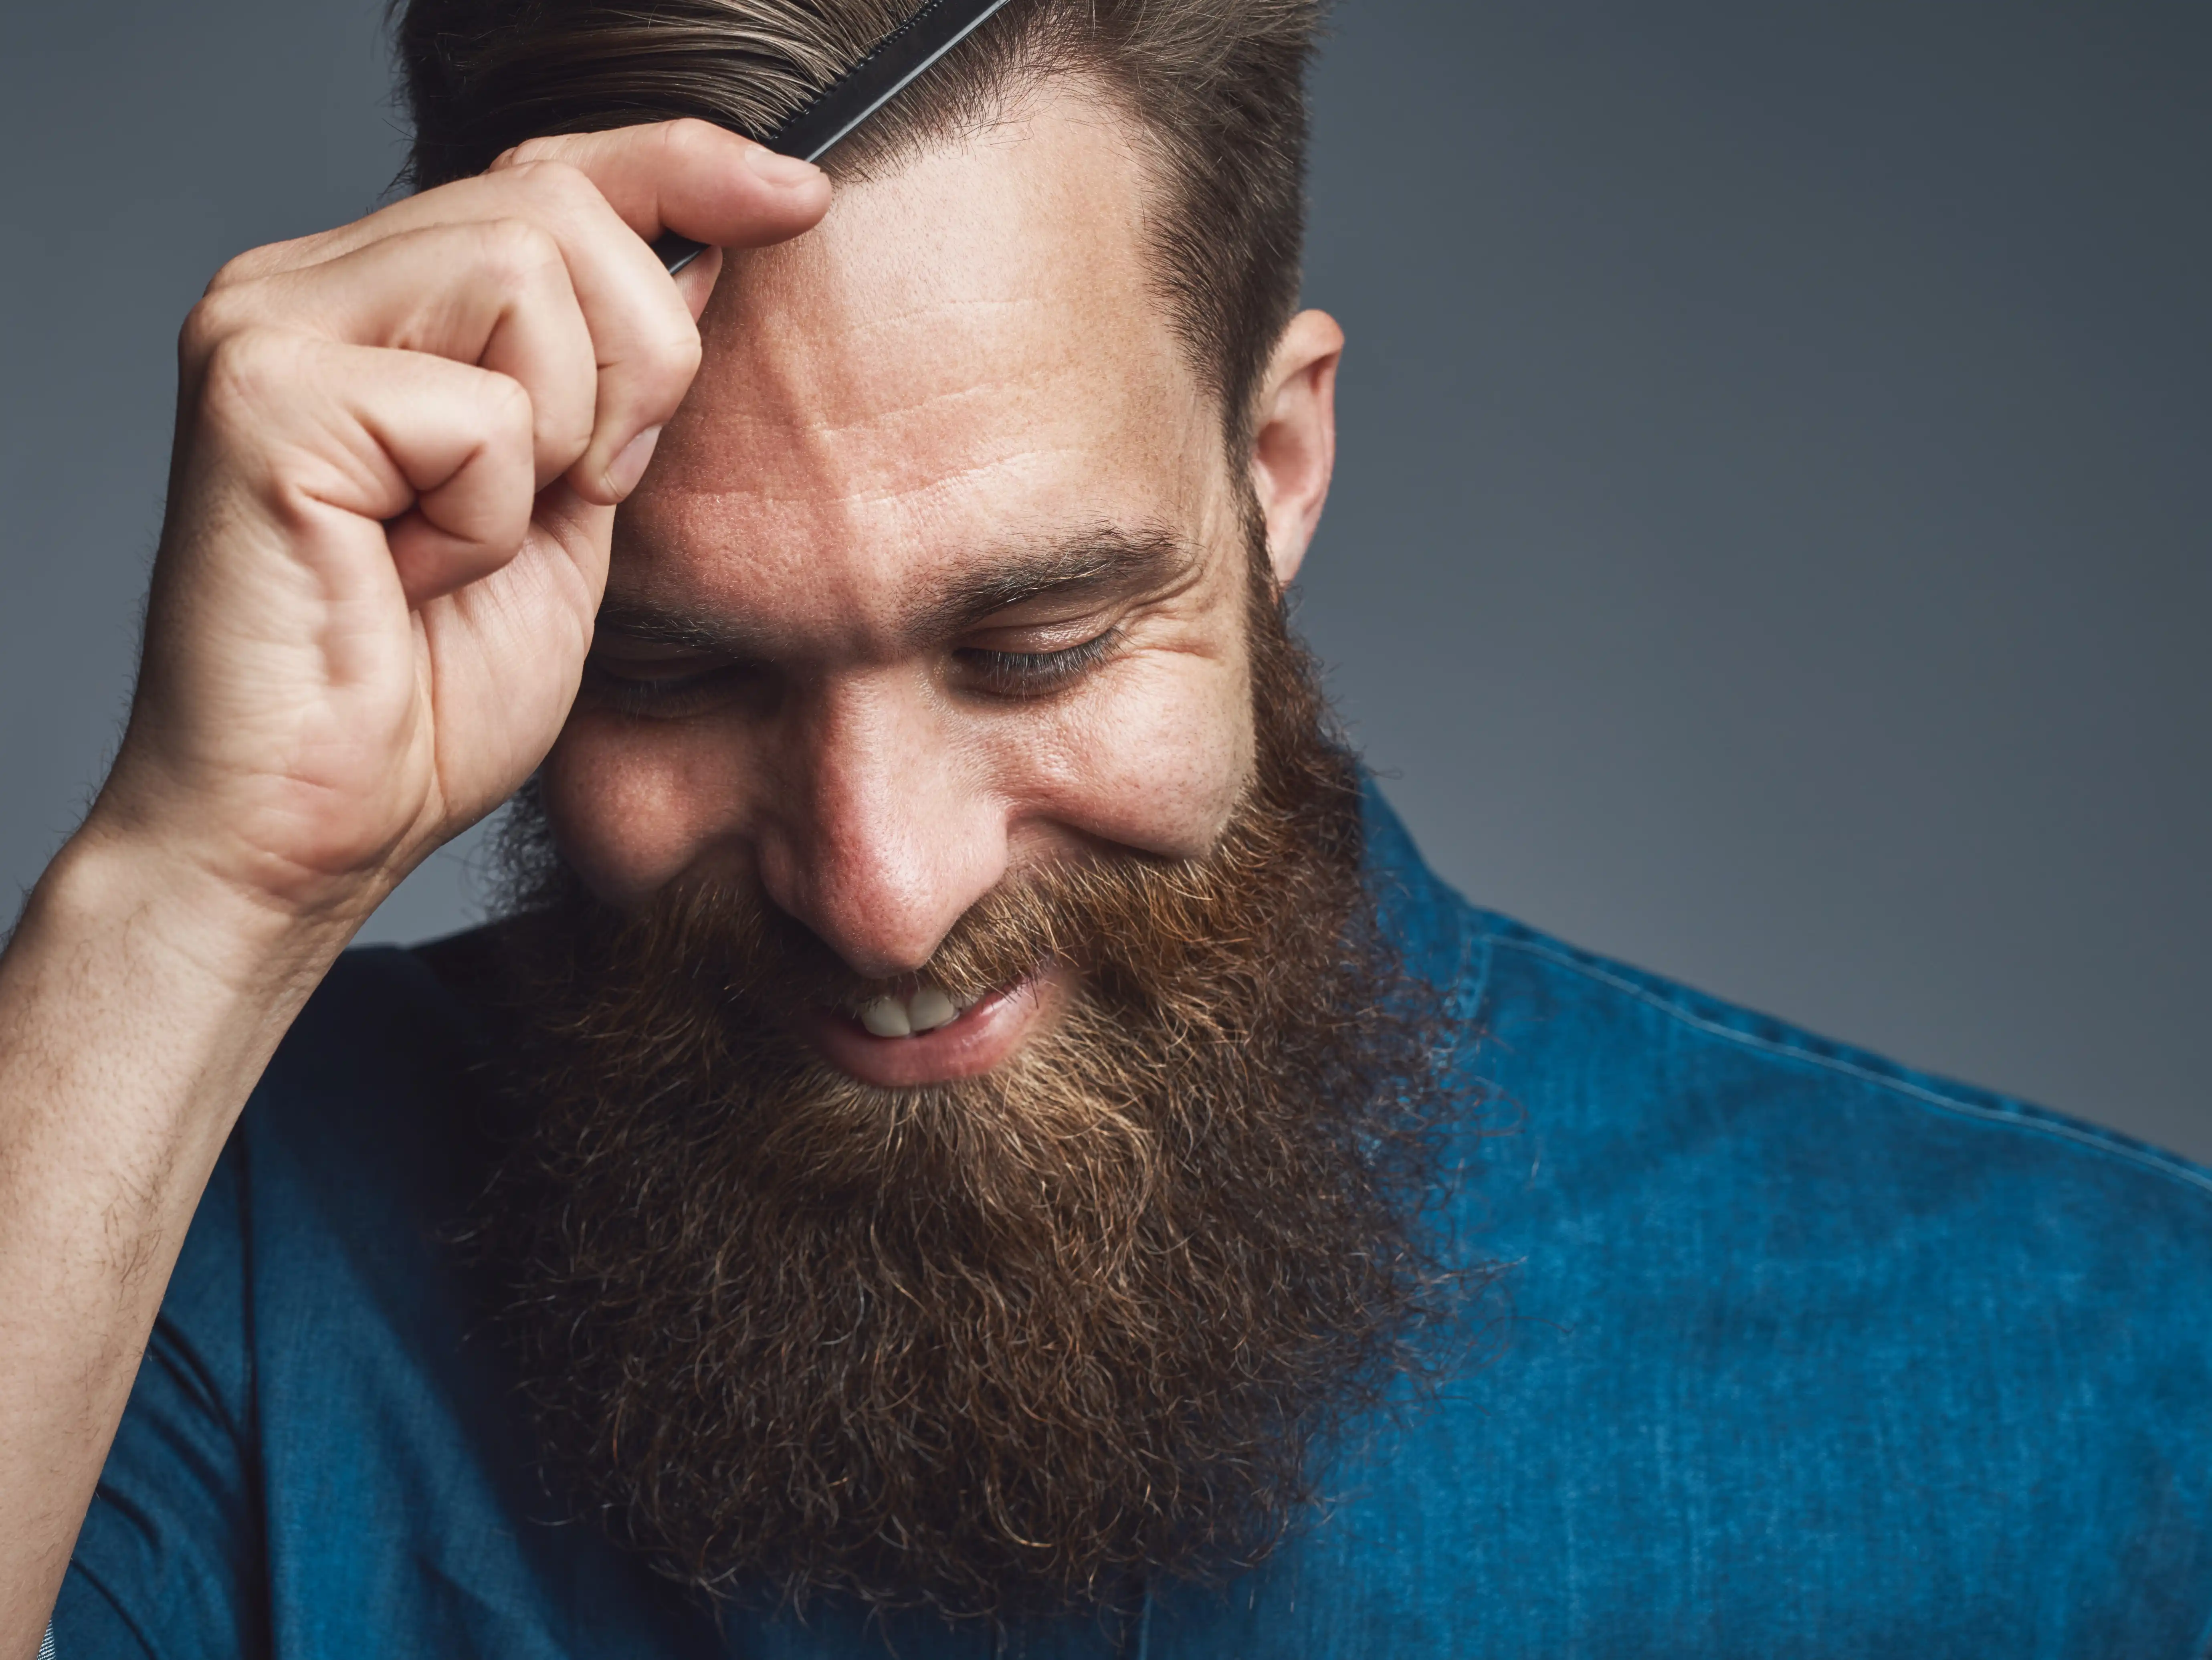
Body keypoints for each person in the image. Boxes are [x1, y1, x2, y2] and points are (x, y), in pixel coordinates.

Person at [4, 0, 2209, 1653]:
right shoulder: (208, 1279)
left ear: (1272, 473)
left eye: (1038, 641)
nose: (883, 884)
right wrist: (191, 884)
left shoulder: (2110, 1399)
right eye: (671, 674)